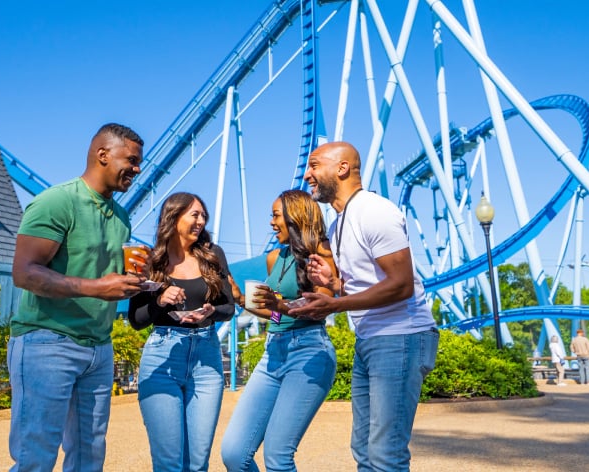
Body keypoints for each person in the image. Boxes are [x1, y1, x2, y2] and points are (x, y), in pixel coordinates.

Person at [288, 141, 439, 471]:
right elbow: (367, 284)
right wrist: (332, 283)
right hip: (372, 339)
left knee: (385, 452)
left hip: (401, 337)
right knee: (364, 447)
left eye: (314, 165)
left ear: (342, 168)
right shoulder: (339, 223)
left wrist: (336, 304)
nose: (307, 173)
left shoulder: (374, 211)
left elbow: (400, 284)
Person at [8, 123, 146, 471]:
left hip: (99, 349)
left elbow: (109, 276)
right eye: (131, 159)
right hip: (47, 342)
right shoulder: (57, 201)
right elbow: (24, 273)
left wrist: (138, 281)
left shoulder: (122, 217)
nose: (138, 169)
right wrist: (99, 288)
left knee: (89, 457)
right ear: (103, 154)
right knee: (35, 458)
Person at [220, 189, 337, 471]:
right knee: (235, 454)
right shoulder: (275, 257)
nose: (271, 223)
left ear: (294, 216)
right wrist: (239, 297)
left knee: (277, 456)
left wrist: (280, 305)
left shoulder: (323, 253)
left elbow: (321, 305)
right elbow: (273, 311)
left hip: (308, 351)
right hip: (273, 352)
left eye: (275, 215)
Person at [128, 192, 235, 472]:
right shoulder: (150, 261)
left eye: (203, 215)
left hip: (207, 357)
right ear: (173, 218)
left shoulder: (214, 254)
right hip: (162, 357)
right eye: (194, 214)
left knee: (197, 463)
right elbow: (136, 319)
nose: (201, 220)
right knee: (168, 464)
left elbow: (229, 308)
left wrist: (211, 312)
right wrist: (160, 301)